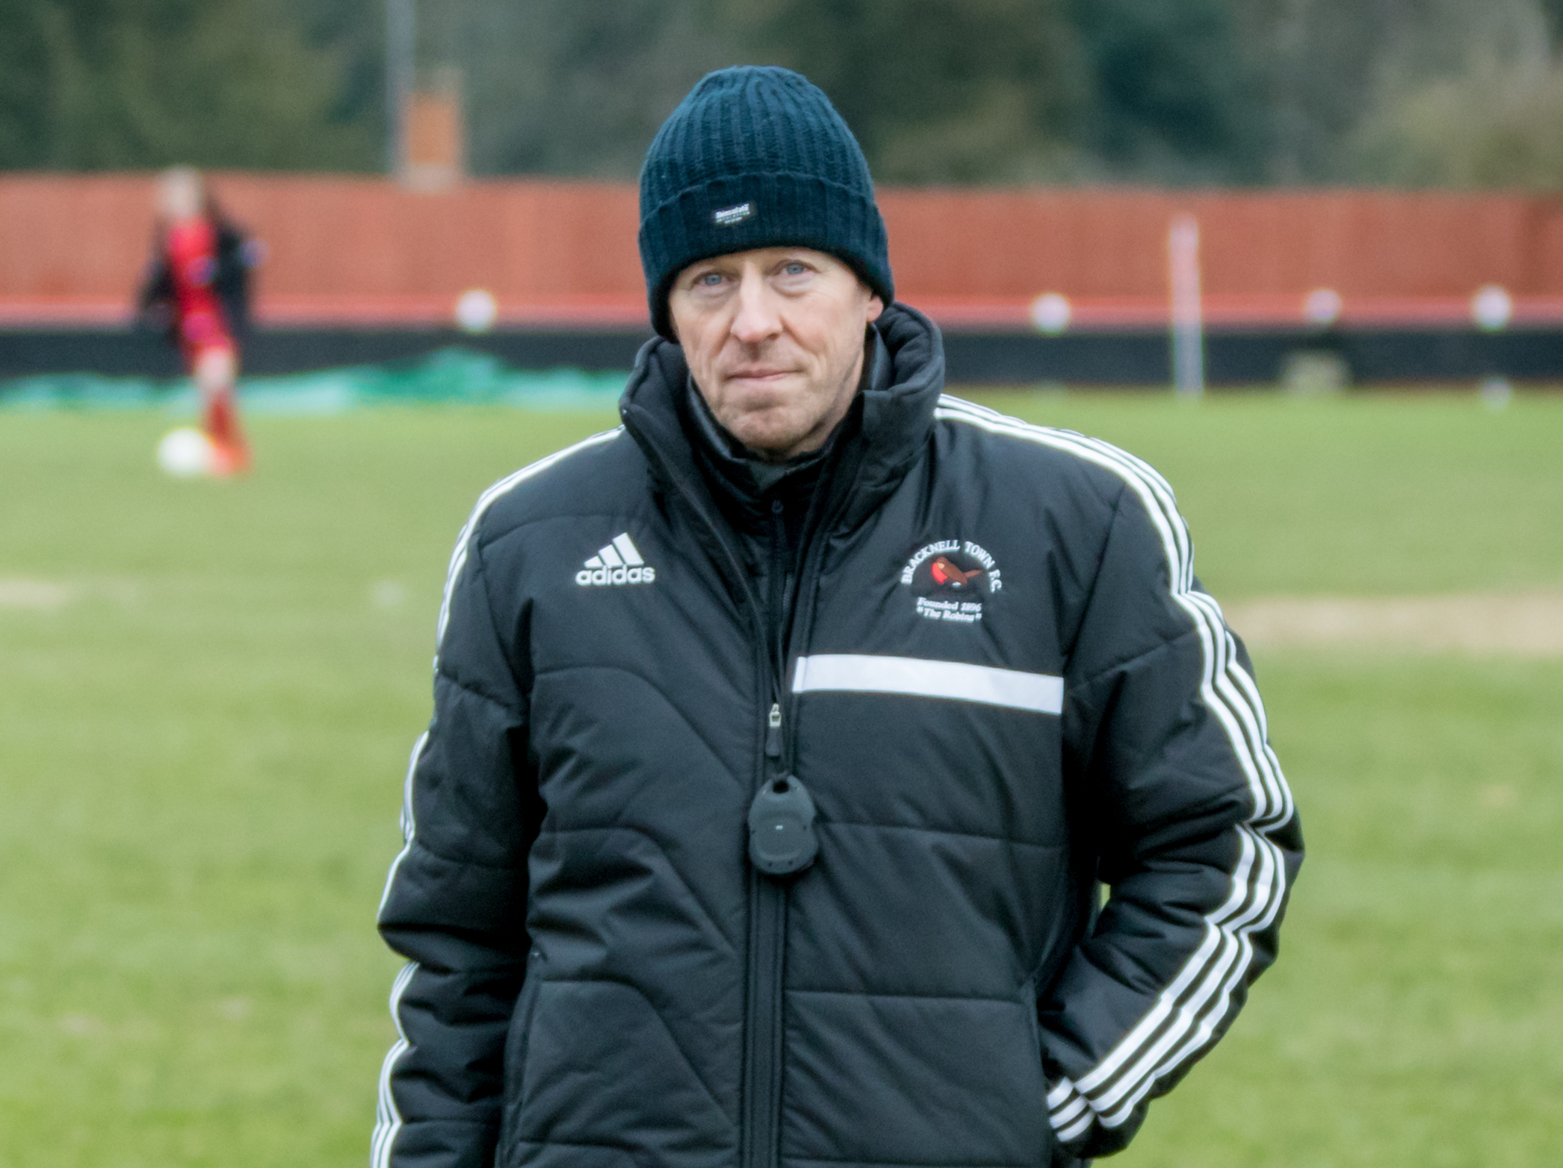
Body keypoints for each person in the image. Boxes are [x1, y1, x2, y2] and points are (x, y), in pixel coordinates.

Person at [373, 66, 1302, 1168]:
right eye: (709, 280)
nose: (752, 322)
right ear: (666, 311)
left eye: (792, 270)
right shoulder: (528, 543)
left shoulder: (1078, 523)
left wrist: (1046, 1102)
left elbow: (1222, 845)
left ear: (869, 289)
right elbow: (457, 944)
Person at [137, 166, 255, 475]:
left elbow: (240, 263)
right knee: (207, 389)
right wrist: (152, 305)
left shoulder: (217, 232)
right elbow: (162, 282)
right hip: (188, 325)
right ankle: (220, 449)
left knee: (217, 381)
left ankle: (231, 451)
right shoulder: (169, 238)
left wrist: (218, 270)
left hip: (217, 321)